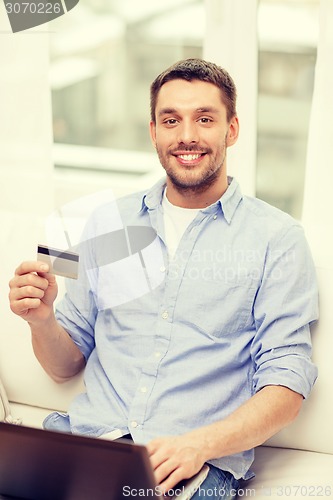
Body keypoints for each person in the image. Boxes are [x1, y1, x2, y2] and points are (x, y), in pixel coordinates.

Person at [9, 58, 318, 499]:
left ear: (231, 129)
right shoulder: (109, 222)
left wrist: (200, 445)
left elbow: (287, 382)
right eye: (171, 120)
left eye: (204, 119)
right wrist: (41, 320)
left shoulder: (277, 239)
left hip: (190, 469)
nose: (187, 136)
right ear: (154, 132)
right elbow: (65, 366)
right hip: (86, 445)